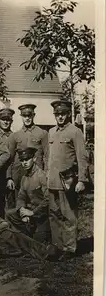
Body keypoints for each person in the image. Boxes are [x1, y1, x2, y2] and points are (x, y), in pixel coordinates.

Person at [47, 100, 89, 260]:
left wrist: (82, 180)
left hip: (68, 182)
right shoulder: (51, 132)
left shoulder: (75, 131)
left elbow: (82, 157)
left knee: (69, 215)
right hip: (52, 181)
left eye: (63, 113)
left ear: (67, 114)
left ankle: (70, 248)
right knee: (54, 215)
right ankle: (57, 246)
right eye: (57, 114)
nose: (60, 117)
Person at [0, 194, 58, 261]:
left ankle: (46, 251)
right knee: (16, 249)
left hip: (3, 235)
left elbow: (5, 224)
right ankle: (43, 253)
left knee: (18, 237)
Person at [5, 148, 50, 243]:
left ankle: (28, 236)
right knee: (9, 214)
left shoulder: (41, 176)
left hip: (43, 215)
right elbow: (21, 197)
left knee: (39, 243)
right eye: (22, 160)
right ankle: (23, 236)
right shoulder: (24, 178)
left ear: (34, 159)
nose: (24, 163)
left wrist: (32, 213)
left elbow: (48, 199)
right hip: (29, 213)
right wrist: (22, 210)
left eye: (27, 159)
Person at [7, 104, 49, 193]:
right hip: (19, 174)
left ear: (33, 115)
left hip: (37, 174)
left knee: (36, 201)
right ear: (21, 117)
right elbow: (10, 159)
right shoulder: (15, 136)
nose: (27, 118)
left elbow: (47, 156)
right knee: (19, 202)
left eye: (29, 116)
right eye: (24, 116)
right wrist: (9, 177)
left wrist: (46, 173)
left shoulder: (42, 133)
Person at [0, 108, 16, 216]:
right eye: (3, 119)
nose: (6, 122)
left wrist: (10, 177)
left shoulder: (15, 136)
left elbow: (14, 159)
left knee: (10, 204)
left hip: (10, 175)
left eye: (8, 119)